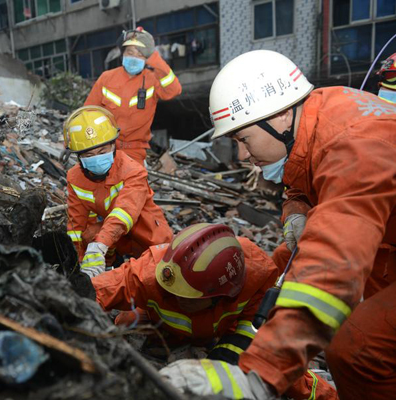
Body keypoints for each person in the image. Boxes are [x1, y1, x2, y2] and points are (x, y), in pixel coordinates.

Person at [160, 49, 396, 400]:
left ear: (281, 116)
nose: (242, 155)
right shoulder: (316, 117)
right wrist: (297, 209)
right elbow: (301, 173)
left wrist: (261, 378)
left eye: (242, 139)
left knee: (357, 346)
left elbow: (334, 260)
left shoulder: (354, 144)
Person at [93, 223, 337, 400]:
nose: (176, 298)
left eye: (186, 295)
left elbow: (254, 328)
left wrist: (222, 364)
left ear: (221, 296)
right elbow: (98, 291)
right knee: (124, 324)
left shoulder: (257, 276)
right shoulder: (150, 273)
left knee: (281, 372)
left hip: (223, 334)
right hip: (164, 328)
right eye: (173, 290)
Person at [63, 105, 173, 278]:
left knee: (159, 273)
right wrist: (78, 263)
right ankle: (107, 272)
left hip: (147, 232)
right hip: (114, 239)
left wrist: (99, 245)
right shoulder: (75, 178)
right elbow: (77, 226)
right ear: (78, 156)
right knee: (90, 234)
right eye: (89, 154)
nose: (97, 158)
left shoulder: (132, 171)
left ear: (113, 145)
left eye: (102, 151)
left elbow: (125, 212)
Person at [84, 28, 182, 164]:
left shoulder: (152, 80)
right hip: (105, 148)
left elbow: (174, 90)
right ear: (122, 54)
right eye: (130, 52)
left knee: (133, 184)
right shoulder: (107, 78)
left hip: (135, 151)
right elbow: (88, 113)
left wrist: (154, 57)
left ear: (147, 58)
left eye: (140, 54)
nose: (134, 57)